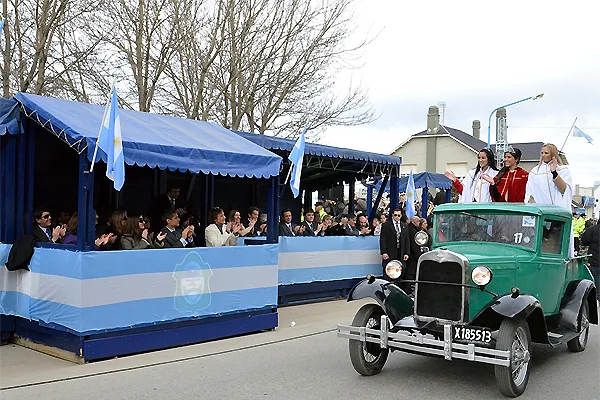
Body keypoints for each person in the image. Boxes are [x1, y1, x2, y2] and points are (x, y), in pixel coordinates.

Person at [524, 143, 573, 209]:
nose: (543, 155)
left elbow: (564, 190)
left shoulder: (563, 170)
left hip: (556, 210)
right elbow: (530, 191)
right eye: (542, 153)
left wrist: (554, 172)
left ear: (553, 154)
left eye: (546, 153)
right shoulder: (535, 172)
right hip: (540, 210)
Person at [379, 208, 410, 280]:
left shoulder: (404, 226)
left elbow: (407, 240)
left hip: (401, 252)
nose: (397, 217)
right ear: (392, 215)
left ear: (401, 216)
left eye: (399, 215)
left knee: (400, 272)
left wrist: (407, 253)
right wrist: (384, 252)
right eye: (395, 215)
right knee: (389, 273)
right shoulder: (386, 225)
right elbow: (383, 239)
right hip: (390, 252)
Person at [580, 222, 599, 304]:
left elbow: (584, 240)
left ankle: (596, 298)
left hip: (595, 260)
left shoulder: (593, 229)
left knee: (595, 279)